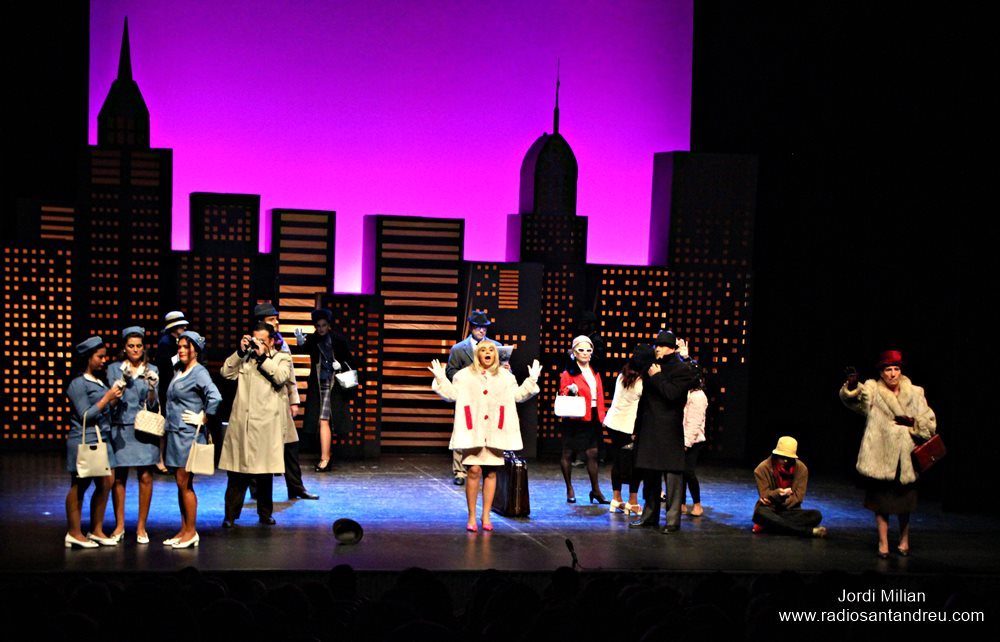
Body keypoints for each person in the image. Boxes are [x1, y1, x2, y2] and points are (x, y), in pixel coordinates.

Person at [429, 343, 541, 531]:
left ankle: (486, 515)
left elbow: (518, 396)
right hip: (473, 430)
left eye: (491, 351)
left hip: (495, 430)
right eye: (483, 350)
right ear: (477, 354)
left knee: (491, 472)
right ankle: (472, 516)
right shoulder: (463, 375)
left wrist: (531, 380)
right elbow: (452, 395)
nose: (487, 353)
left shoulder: (506, 376)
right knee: (473, 470)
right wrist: (441, 378)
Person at [839, 350, 936, 558]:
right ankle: (883, 542)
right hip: (880, 455)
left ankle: (904, 539)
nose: (892, 374)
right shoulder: (873, 389)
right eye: (888, 369)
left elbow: (930, 423)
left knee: (905, 504)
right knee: (881, 503)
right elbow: (857, 403)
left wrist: (914, 423)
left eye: (896, 369)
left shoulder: (916, 392)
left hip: (905, 457)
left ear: (901, 371)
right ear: (881, 373)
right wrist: (853, 387)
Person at [219, 322, 292, 527]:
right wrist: (239, 352)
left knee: (264, 473)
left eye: (262, 340)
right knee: (237, 473)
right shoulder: (245, 358)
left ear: (271, 341)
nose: (257, 344)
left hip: (266, 425)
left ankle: (265, 513)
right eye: (254, 339)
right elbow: (226, 372)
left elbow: (281, 377)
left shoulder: (282, 358)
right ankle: (230, 516)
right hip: (243, 423)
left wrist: (262, 358)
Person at [630, 330, 699, 533]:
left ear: (672, 348)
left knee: (673, 477)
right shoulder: (652, 366)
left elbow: (672, 394)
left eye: (662, 345)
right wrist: (636, 428)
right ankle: (649, 516)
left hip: (669, 430)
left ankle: (672, 521)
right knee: (650, 475)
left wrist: (658, 376)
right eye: (656, 345)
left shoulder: (682, 369)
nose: (657, 348)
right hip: (649, 427)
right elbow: (644, 401)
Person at [163, 331, 221, 548]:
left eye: (186, 347)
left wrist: (204, 417)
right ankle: (184, 528)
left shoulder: (199, 372)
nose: (181, 350)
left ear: (195, 350)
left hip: (188, 435)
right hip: (176, 434)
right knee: (181, 484)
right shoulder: (180, 370)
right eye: (179, 346)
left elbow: (215, 396)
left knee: (184, 483)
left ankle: (191, 531)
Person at [64, 336, 123, 548]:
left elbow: (104, 411)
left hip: (103, 438)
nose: (103, 360)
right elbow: (85, 415)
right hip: (85, 438)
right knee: (80, 484)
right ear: (88, 358)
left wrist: (114, 399)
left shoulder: (98, 382)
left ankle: (96, 530)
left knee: (106, 482)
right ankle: (74, 532)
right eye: (100, 357)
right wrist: (106, 398)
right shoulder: (78, 383)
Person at [254, 303, 317, 501]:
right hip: (262, 404)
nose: (276, 322)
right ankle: (256, 489)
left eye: (276, 318)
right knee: (259, 448)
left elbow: (290, 375)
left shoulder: (281, 342)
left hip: (281, 402)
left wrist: (293, 400)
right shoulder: (253, 345)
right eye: (271, 319)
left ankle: (295, 487)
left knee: (291, 445)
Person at [107, 326, 160, 544]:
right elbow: (110, 401)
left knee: (145, 476)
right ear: (124, 348)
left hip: (144, 428)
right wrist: (121, 383)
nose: (135, 350)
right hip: (121, 428)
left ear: (143, 347)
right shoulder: (114, 369)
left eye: (139, 346)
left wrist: (152, 388)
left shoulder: (152, 369)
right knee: (119, 477)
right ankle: (119, 526)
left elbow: (153, 404)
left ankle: (141, 527)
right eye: (131, 346)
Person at [294, 308, 356, 473]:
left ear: (329, 325)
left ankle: (325, 458)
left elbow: (351, 361)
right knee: (322, 421)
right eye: (318, 326)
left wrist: (340, 365)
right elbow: (304, 349)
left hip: (334, 386)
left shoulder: (338, 340)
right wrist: (300, 342)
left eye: (323, 325)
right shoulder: (313, 339)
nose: (321, 328)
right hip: (319, 386)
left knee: (324, 420)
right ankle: (325, 457)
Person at [446, 310, 503, 486]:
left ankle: (486, 467)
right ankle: (460, 471)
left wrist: (505, 369)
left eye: (484, 328)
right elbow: (451, 371)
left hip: (489, 397)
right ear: (471, 328)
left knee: (487, 432)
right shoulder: (459, 349)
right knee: (463, 430)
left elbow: (502, 372)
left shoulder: (496, 347)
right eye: (478, 327)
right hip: (467, 397)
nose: (482, 330)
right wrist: (467, 379)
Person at [602, 343, 656, 516]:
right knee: (636, 465)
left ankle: (616, 498)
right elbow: (642, 410)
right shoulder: (642, 382)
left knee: (618, 461)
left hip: (613, 424)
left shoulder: (622, 375)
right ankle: (632, 502)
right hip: (628, 427)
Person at [558, 335, 609, 504]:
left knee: (592, 452)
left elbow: (599, 394)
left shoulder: (595, 371)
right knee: (568, 452)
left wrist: (602, 415)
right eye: (581, 350)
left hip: (591, 415)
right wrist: (570, 390)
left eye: (589, 350)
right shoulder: (569, 372)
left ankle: (596, 490)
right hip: (575, 416)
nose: (585, 353)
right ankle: (569, 489)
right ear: (574, 352)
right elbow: (563, 392)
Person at [752, 436, 827, 537]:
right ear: (775, 455)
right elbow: (764, 496)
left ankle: (771, 525)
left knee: (816, 516)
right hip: (770, 510)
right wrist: (778, 493)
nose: (785, 461)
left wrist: (775, 499)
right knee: (760, 512)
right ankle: (808, 531)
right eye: (782, 457)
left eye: (789, 458)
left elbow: (798, 498)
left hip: (791, 511)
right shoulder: (761, 469)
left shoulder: (802, 469)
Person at [154, 310, 189, 473]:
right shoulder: (165, 343)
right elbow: (166, 368)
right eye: (181, 325)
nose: (184, 328)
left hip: (175, 387)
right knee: (163, 425)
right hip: (166, 388)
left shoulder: (176, 342)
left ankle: (170, 459)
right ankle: (159, 459)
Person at [681, 369, 708, 517]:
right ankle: (682, 503)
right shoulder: (688, 393)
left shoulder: (698, 396)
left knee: (688, 472)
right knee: (680, 472)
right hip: (683, 438)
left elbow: (694, 422)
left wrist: (687, 443)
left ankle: (697, 504)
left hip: (694, 440)